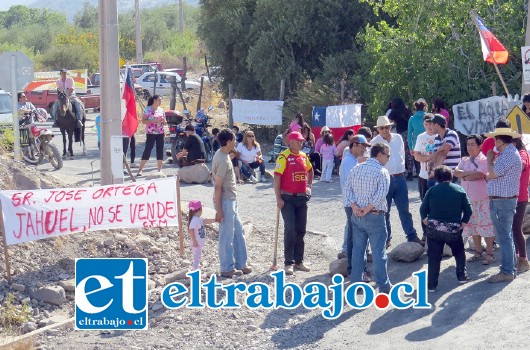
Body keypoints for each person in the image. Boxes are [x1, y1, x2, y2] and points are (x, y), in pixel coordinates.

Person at [343, 143, 392, 293]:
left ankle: (356, 284)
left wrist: (355, 207)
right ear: (379, 155)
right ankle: (384, 286)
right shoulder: (382, 172)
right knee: (378, 252)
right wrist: (367, 209)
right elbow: (381, 194)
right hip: (375, 216)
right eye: (387, 155)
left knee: (358, 250)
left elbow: (346, 191)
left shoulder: (356, 169)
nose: (388, 159)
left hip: (357, 216)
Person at [420, 165, 472, 292]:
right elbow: (468, 210)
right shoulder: (459, 189)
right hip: (453, 229)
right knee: (459, 252)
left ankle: (431, 285)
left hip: (434, 229)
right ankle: (462, 276)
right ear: (451, 177)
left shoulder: (432, 190)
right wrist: (463, 222)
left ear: (436, 178)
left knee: (434, 256)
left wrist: (424, 219)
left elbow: (423, 209)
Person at [371, 115, 422, 247]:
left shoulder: (398, 138)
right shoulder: (374, 142)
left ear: (390, 127)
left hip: (399, 176)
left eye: (387, 127)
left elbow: (401, 155)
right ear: (378, 129)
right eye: (382, 128)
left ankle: (411, 235)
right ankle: (386, 238)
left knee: (404, 209)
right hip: (384, 178)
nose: (385, 130)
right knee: (385, 211)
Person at [212, 128, 252, 277]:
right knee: (226, 234)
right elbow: (217, 186)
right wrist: (219, 210)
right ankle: (226, 267)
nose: (236, 142)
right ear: (228, 141)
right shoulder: (222, 159)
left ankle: (241, 263)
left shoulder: (224, 155)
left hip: (231, 199)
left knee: (238, 231)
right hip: (225, 200)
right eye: (234, 139)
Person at [484, 127, 522, 283]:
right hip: (503, 200)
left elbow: (492, 174)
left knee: (504, 238)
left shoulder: (508, 154)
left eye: (495, 139)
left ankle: (507, 271)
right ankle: (509, 269)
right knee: (506, 237)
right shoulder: (510, 153)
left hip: (502, 201)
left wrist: (488, 159)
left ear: (499, 140)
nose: (494, 143)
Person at [274, 131, 314, 275]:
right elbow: (277, 178)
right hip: (287, 199)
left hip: (302, 198)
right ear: (291, 141)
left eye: (302, 141)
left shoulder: (304, 156)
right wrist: (278, 198)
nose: (301, 143)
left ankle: (299, 261)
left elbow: (310, 171)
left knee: (301, 230)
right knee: (290, 229)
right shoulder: (283, 157)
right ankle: (288, 262)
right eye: (298, 141)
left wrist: (309, 186)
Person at [453, 135, 495, 265]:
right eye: (468, 144)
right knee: (473, 226)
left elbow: (480, 175)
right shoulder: (464, 160)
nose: (469, 147)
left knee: (486, 226)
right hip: (467, 200)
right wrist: (467, 175)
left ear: (479, 146)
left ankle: (490, 253)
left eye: (472, 144)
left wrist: (464, 175)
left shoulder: (483, 160)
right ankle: (478, 251)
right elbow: (455, 172)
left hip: (482, 199)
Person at [339, 135, 371, 276]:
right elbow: (350, 186)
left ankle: (356, 269)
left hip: (354, 204)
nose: (364, 149)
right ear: (354, 145)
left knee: (356, 236)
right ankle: (356, 270)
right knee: (357, 237)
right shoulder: (349, 162)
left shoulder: (353, 161)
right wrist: (355, 205)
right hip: (353, 204)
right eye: (363, 146)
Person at [413, 114, 437, 239]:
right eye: (426, 124)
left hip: (438, 175)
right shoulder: (421, 137)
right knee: (425, 204)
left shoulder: (440, 136)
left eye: (431, 124)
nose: (429, 127)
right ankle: (426, 233)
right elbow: (416, 155)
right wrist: (430, 158)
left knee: (438, 203)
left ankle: (439, 231)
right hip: (424, 174)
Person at [511, 137, 530, 273]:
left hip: (520, 197)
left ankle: (523, 259)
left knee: (517, 228)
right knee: (514, 229)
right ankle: (518, 258)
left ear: (514, 143)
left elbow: (521, 165)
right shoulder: (516, 153)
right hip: (513, 196)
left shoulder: (522, 153)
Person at [137, 95, 167, 176]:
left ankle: (159, 170)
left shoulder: (161, 110)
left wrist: (164, 121)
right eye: (159, 100)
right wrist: (154, 120)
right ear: (154, 100)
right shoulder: (147, 109)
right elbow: (143, 121)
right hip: (150, 133)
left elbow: (165, 122)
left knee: (160, 150)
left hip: (160, 132)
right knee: (148, 150)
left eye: (161, 100)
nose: (160, 102)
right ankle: (140, 169)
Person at [428, 114, 461, 187]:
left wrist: (434, 172)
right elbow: (434, 157)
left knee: (432, 184)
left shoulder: (452, 134)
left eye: (431, 124)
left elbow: (443, 154)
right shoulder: (437, 138)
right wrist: (440, 149)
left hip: (451, 173)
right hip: (441, 172)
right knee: (429, 183)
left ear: (436, 125)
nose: (429, 127)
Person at [387, 97, 413, 179]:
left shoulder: (394, 112)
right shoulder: (407, 110)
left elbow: (389, 121)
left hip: (400, 133)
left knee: (401, 152)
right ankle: (410, 172)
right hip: (409, 132)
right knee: (409, 152)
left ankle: (403, 170)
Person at [188, 200, 216, 272]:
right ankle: (195, 272)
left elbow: (206, 221)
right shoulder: (195, 219)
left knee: (197, 256)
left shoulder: (198, 219)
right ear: (199, 210)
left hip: (198, 242)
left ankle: (196, 269)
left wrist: (215, 220)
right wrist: (194, 241)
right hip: (196, 242)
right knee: (196, 258)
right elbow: (191, 230)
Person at [408, 98, 427, 176]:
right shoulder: (428, 117)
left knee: (419, 170)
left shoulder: (412, 119)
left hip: (417, 145)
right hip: (429, 143)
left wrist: (410, 148)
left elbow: (409, 134)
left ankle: (421, 185)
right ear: (424, 107)